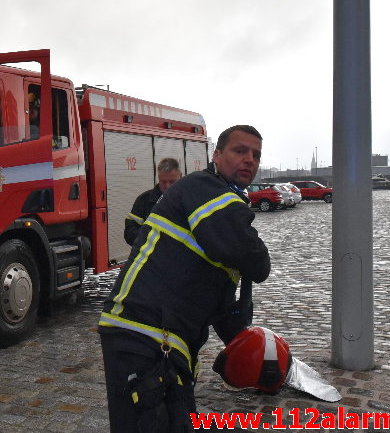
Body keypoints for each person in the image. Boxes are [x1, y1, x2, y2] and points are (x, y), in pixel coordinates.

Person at [99, 125, 271, 432]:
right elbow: (255, 259)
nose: (249, 160)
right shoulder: (208, 190)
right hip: (144, 333)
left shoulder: (222, 200)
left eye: (256, 155)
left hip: (158, 337)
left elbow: (222, 282)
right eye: (240, 151)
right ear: (217, 155)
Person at [124, 157, 182, 246]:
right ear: (158, 178)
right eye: (163, 182)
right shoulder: (144, 200)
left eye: (172, 181)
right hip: (153, 258)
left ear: (180, 176)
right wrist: (154, 240)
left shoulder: (190, 199)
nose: (167, 186)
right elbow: (130, 232)